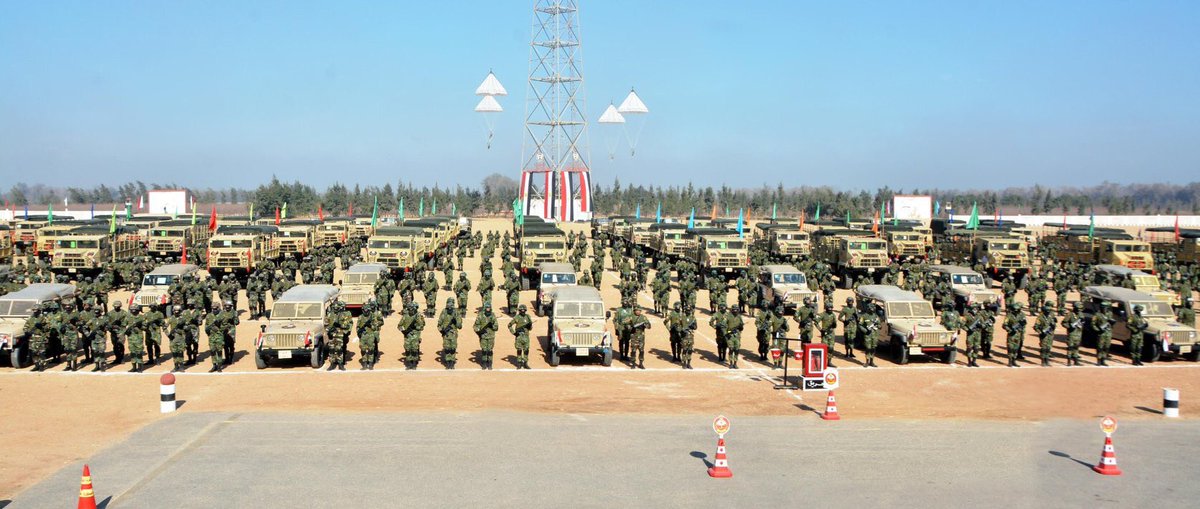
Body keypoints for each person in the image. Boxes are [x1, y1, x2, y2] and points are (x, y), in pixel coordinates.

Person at [324, 301, 352, 371]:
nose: (336, 309)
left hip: (340, 333)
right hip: (331, 334)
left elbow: (347, 325)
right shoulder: (330, 314)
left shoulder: (343, 315)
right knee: (331, 349)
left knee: (339, 349)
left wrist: (340, 325)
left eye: (337, 308)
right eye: (334, 308)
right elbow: (326, 324)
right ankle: (332, 363)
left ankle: (340, 364)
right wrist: (328, 331)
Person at [357, 300, 383, 370]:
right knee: (363, 349)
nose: (365, 312)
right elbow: (358, 327)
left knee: (371, 349)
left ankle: (371, 364)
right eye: (364, 310)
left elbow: (376, 327)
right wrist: (359, 333)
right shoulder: (360, 317)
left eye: (367, 310)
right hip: (363, 335)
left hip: (371, 335)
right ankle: (364, 364)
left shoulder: (373, 316)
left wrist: (371, 325)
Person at [398, 301, 425, 369]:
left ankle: (414, 363)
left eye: (412, 309)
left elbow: (422, 326)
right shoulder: (405, 316)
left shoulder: (418, 316)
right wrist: (404, 330)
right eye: (409, 309)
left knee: (414, 349)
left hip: (415, 334)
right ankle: (409, 363)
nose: (410, 310)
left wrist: (416, 327)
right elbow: (399, 326)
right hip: (407, 335)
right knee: (407, 348)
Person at [438, 297, 463, 369]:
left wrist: (456, 321)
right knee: (447, 348)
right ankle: (448, 362)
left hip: (453, 333)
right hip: (446, 333)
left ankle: (452, 362)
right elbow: (439, 323)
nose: (449, 307)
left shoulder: (456, 312)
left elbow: (460, 325)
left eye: (451, 305)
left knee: (453, 348)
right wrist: (442, 330)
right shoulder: (444, 311)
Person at [474, 302, 499, 370]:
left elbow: (496, 327)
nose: (488, 309)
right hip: (483, 336)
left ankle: (490, 363)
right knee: (484, 350)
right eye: (487, 308)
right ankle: (484, 363)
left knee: (490, 350)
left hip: (491, 336)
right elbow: (475, 326)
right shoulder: (480, 315)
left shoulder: (493, 315)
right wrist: (480, 331)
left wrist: (492, 326)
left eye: (489, 308)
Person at [1003, 302, 1027, 367]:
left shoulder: (1022, 315)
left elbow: (1024, 322)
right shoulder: (1009, 315)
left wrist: (1021, 325)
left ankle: (1014, 361)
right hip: (1011, 334)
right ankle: (1010, 361)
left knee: (1016, 348)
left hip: (1018, 334)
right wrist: (1009, 329)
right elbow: (1004, 325)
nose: (1016, 311)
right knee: (1010, 348)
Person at [509, 305, 533, 369]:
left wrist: (529, 326)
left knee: (526, 350)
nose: (523, 311)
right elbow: (509, 325)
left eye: (524, 310)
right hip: (519, 336)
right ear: (519, 311)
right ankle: (519, 363)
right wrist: (514, 333)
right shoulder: (517, 317)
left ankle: (525, 363)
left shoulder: (528, 317)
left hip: (526, 337)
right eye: (521, 310)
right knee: (519, 350)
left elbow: (530, 328)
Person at [204, 303, 226, 372]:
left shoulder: (223, 315)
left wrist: (219, 328)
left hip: (219, 336)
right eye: (213, 309)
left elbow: (225, 326)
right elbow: (206, 326)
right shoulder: (209, 316)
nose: (214, 310)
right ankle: (214, 365)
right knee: (212, 351)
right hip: (211, 336)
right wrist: (208, 331)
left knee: (219, 351)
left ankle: (219, 365)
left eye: (215, 309)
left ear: (218, 308)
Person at [1093, 301, 1115, 366]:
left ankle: (1103, 360)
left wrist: (1112, 323)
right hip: (1101, 333)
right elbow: (1093, 324)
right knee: (1100, 347)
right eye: (1103, 307)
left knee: (1107, 347)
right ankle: (1099, 360)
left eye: (1106, 308)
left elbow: (1111, 323)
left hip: (1108, 332)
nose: (1105, 309)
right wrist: (1098, 329)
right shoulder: (1097, 315)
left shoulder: (1110, 314)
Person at [1063, 302, 1085, 366]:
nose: (1079, 310)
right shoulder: (1070, 314)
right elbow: (1064, 323)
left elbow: (1082, 322)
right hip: (1072, 333)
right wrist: (1069, 326)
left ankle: (1076, 361)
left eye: (1080, 309)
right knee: (1070, 347)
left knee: (1076, 347)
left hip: (1079, 333)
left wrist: (1082, 322)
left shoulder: (1081, 314)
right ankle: (1069, 361)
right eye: (1078, 309)